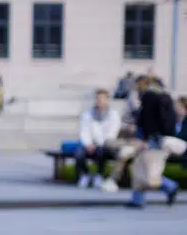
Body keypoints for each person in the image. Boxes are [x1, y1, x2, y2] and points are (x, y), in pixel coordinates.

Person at [128, 75, 182, 207]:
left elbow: (147, 120)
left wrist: (145, 137)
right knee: (142, 168)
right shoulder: (165, 98)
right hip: (158, 138)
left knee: (145, 170)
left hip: (152, 139)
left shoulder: (149, 97)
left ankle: (169, 186)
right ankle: (138, 199)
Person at [76, 89, 123, 191]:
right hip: (89, 143)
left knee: (102, 151)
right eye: (98, 99)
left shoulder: (113, 115)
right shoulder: (87, 114)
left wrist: (99, 143)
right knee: (79, 152)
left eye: (102, 99)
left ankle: (99, 175)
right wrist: (88, 143)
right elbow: (84, 130)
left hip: (104, 143)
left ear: (107, 100)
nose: (100, 101)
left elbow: (112, 132)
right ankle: (85, 174)